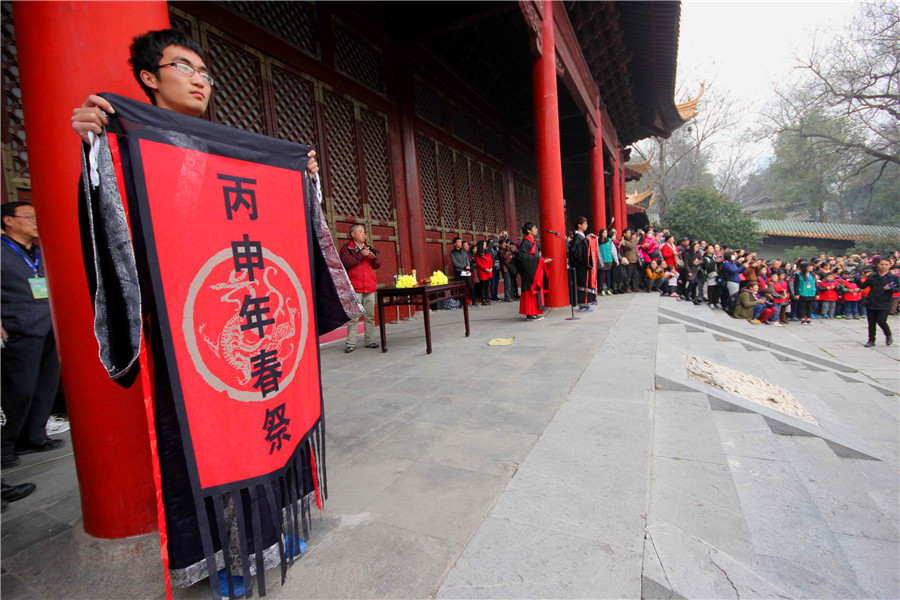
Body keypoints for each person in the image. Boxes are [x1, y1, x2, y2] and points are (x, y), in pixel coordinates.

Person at [1, 202, 64, 469]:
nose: (36, 222)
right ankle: (5, 447)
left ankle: (35, 436)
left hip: (48, 326)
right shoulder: (3, 251)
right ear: (9, 220)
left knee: (45, 385)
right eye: (29, 217)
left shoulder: (38, 251)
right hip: (18, 328)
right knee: (19, 390)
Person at [340, 224, 381, 353]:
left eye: (364, 232)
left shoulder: (368, 247)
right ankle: (351, 343)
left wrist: (374, 258)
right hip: (355, 287)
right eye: (360, 232)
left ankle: (370, 340)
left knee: (370, 316)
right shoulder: (347, 248)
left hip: (369, 286)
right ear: (353, 234)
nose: (364, 234)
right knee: (354, 317)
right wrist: (360, 254)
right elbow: (346, 263)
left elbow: (378, 265)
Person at [860, 256, 899, 347]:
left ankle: (888, 335)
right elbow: (863, 286)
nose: (884, 266)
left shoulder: (893, 277)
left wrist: (890, 289)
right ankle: (871, 340)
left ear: (890, 265)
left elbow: (897, 289)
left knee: (881, 320)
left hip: (885, 302)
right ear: (878, 265)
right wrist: (856, 279)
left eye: (886, 264)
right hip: (872, 301)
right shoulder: (872, 276)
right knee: (871, 322)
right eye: (882, 264)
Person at [517, 222, 549, 320]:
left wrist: (543, 259)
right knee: (530, 291)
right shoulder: (525, 242)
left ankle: (534, 312)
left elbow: (535, 256)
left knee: (536, 291)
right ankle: (530, 314)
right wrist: (540, 260)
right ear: (529, 230)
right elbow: (522, 257)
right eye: (534, 228)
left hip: (534, 270)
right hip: (529, 272)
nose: (536, 230)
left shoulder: (531, 241)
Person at [568, 217, 595, 311]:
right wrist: (585, 241)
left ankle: (586, 302)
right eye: (584, 224)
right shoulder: (577, 236)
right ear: (579, 225)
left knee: (585, 283)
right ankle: (582, 304)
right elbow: (575, 251)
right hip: (580, 265)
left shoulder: (582, 236)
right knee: (582, 283)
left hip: (584, 264)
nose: (586, 225)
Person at [449, 236, 475, 304]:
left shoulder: (464, 251)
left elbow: (467, 260)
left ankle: (474, 301)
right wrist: (464, 267)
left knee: (470, 286)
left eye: (460, 242)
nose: (460, 243)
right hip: (459, 272)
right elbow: (455, 263)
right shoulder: (452, 253)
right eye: (459, 242)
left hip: (466, 271)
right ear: (454, 244)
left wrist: (468, 267)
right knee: (460, 288)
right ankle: (461, 302)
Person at [473, 240, 493, 306]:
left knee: (487, 286)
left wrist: (491, 268)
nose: (485, 245)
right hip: (482, 272)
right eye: (484, 244)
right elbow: (479, 264)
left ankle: (487, 298)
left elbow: (491, 261)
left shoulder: (487, 253)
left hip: (488, 271)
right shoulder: (477, 255)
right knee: (482, 286)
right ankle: (483, 299)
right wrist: (485, 269)